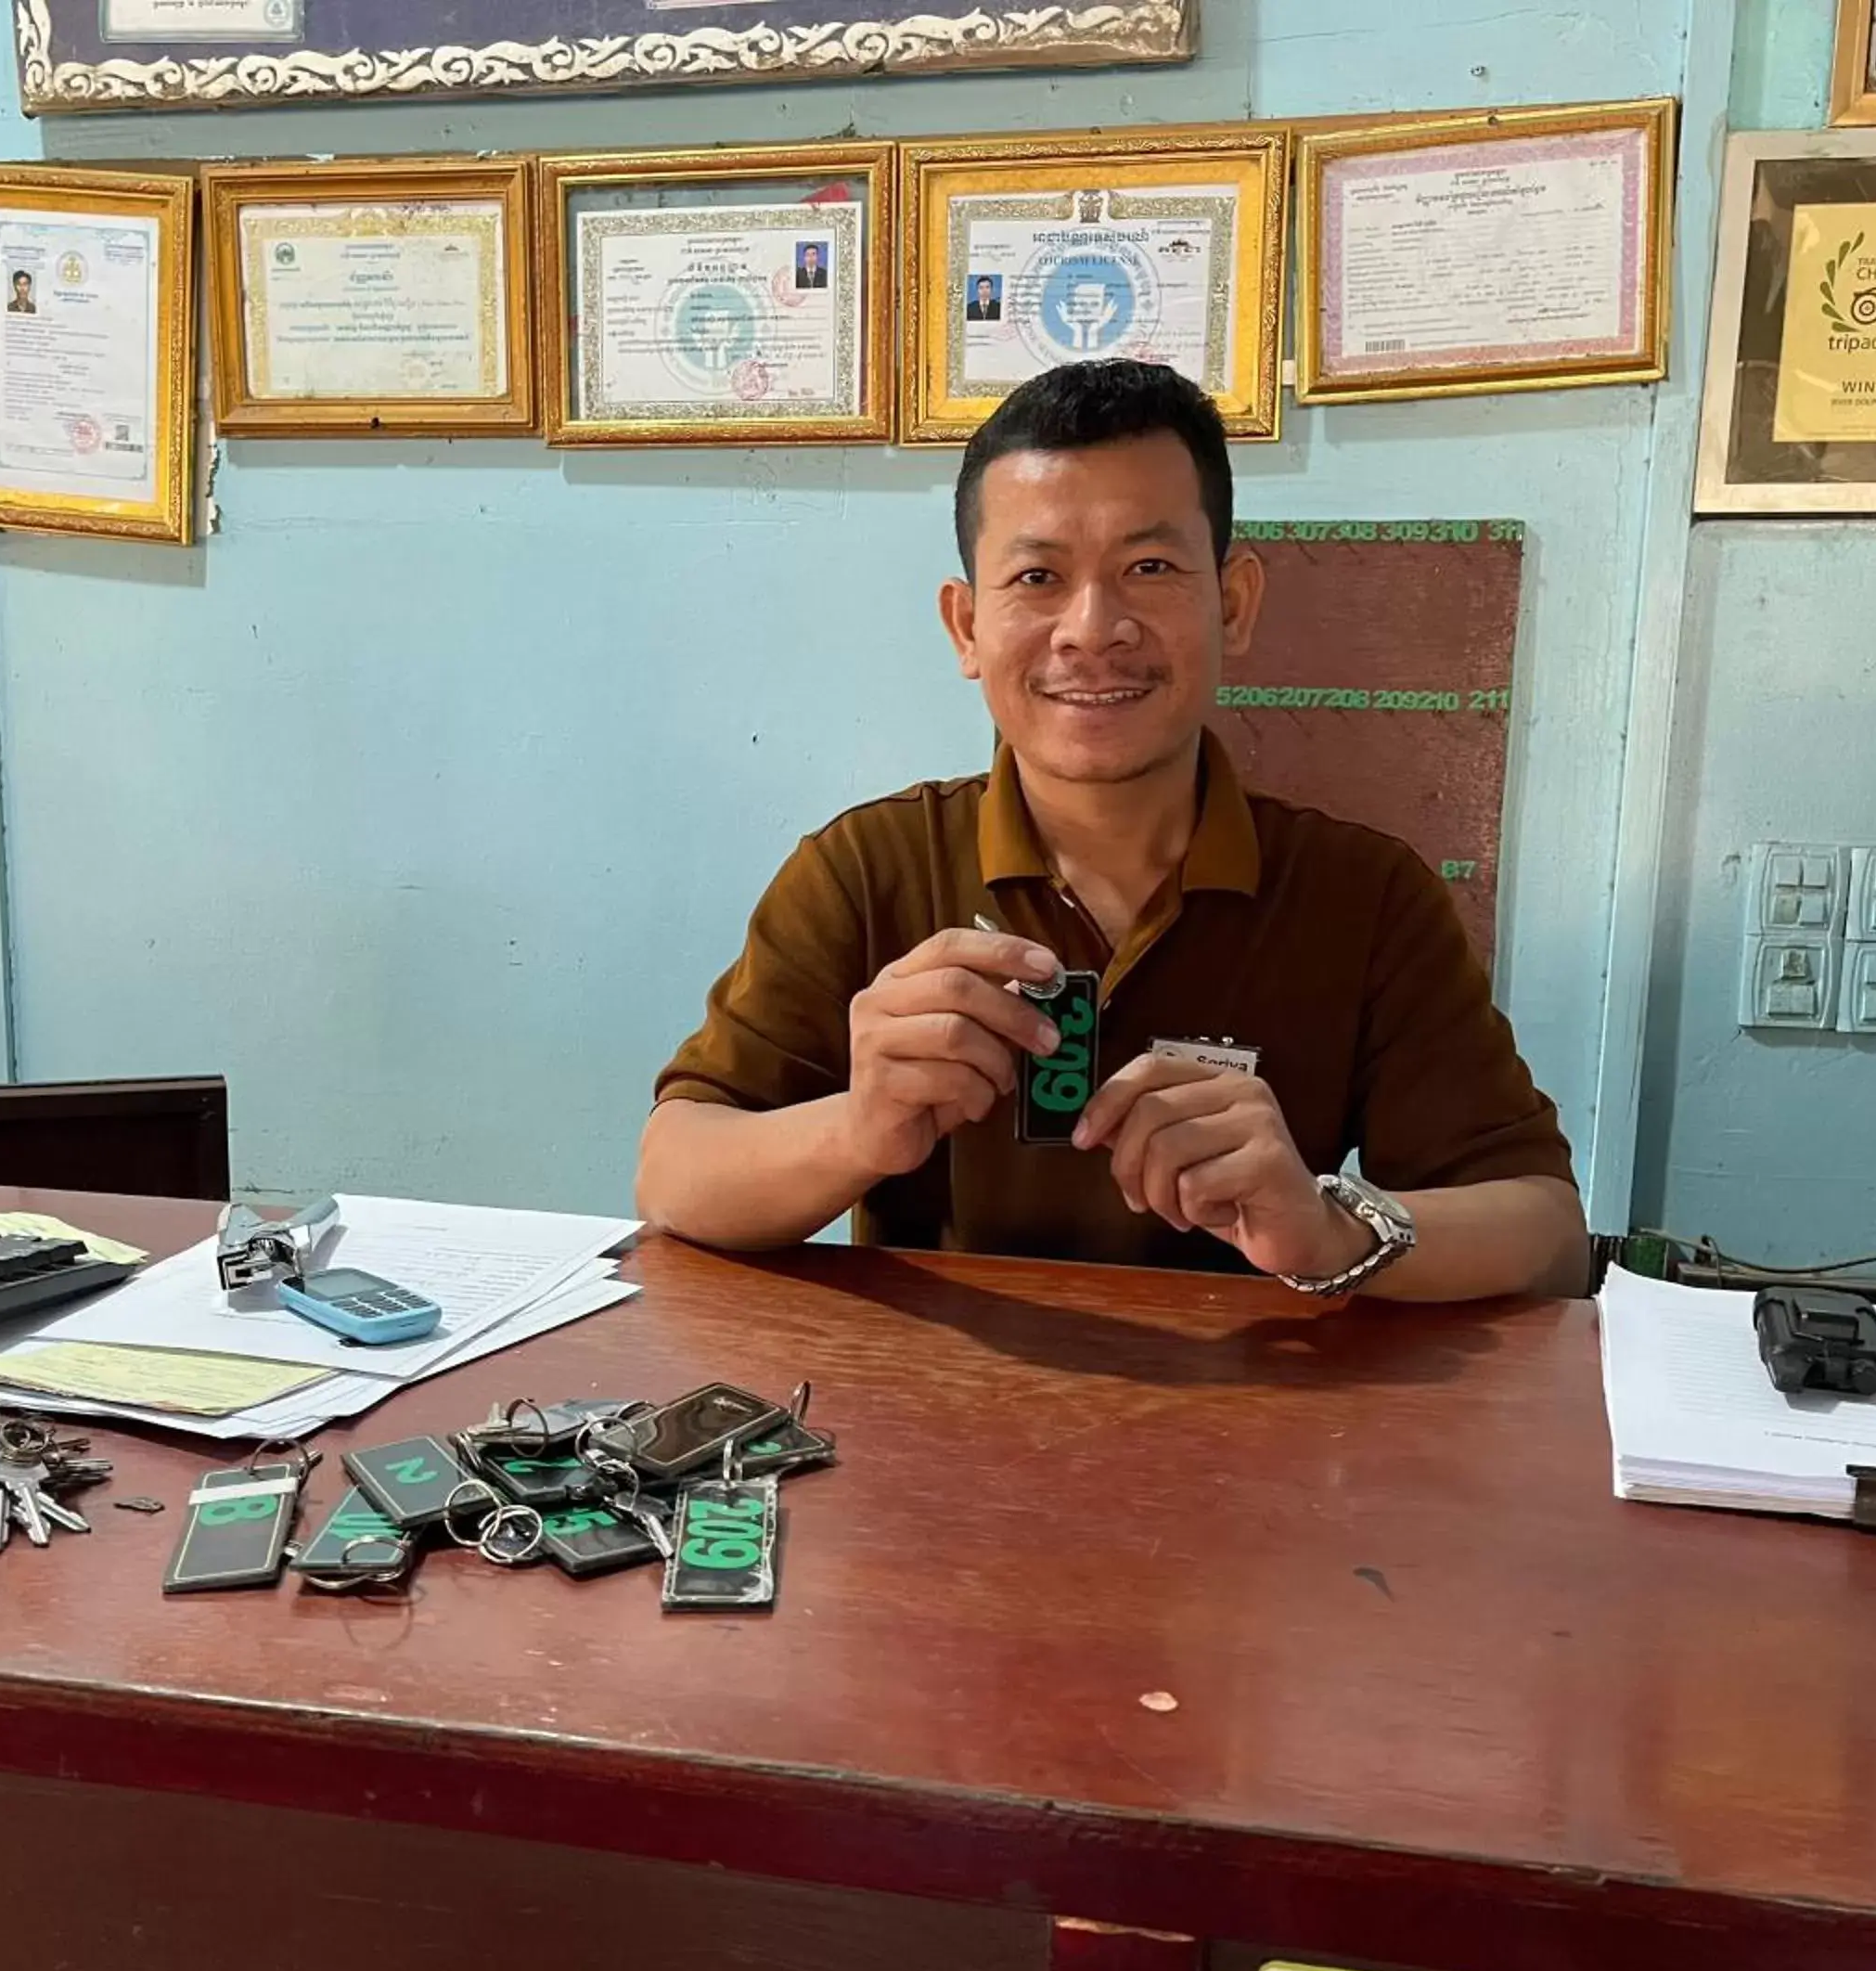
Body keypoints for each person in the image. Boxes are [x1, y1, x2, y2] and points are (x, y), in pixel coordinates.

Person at [636, 360, 1587, 1302]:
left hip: (1263, 1415)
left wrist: (1324, 1227)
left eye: (1151, 567)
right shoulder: (866, 870)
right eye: (1039, 576)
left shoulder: (1365, 897)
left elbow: (1542, 1230)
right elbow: (673, 1172)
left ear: (1236, 603)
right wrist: (856, 1131)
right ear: (966, 626)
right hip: (931, 1421)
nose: (1092, 629)